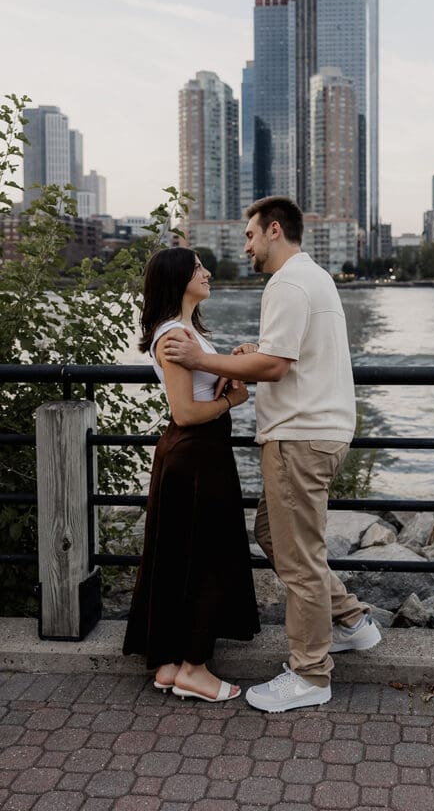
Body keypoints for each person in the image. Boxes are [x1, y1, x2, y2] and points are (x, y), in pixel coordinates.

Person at [164, 196, 380, 712]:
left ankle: (310, 674)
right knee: (273, 535)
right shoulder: (315, 278)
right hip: (324, 430)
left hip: (299, 437)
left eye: (250, 235)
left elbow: (278, 366)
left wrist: (202, 357)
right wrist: (248, 357)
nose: (246, 245)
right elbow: (283, 355)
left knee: (299, 559)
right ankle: (349, 621)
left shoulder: (285, 283)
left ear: (274, 230)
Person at [122, 247, 259, 702]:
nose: (208, 272)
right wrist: (231, 402)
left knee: (178, 557)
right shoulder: (175, 336)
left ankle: (167, 663)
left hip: (192, 456)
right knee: (207, 561)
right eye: (198, 267)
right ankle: (194, 669)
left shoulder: (184, 332)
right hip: (197, 456)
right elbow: (183, 412)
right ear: (179, 278)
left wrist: (230, 367)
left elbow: (198, 387)